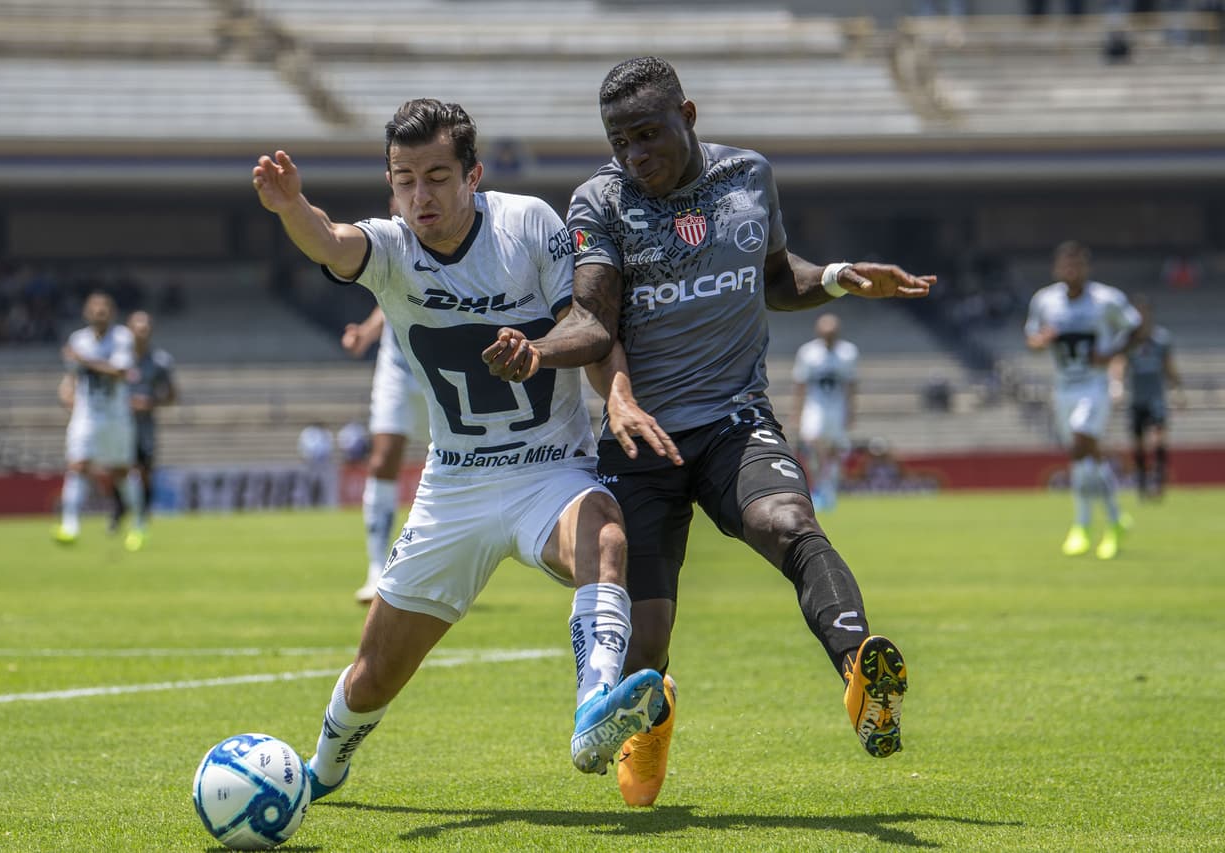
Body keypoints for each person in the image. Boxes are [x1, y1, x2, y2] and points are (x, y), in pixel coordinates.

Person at [483, 56, 931, 807]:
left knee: (786, 522)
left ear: (687, 116)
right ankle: (647, 732)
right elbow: (593, 320)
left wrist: (841, 276)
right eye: (621, 141)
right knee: (647, 640)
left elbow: (775, 275)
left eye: (650, 134)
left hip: (734, 420)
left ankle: (861, 673)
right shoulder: (601, 201)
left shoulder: (749, 175)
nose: (637, 155)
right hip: (642, 442)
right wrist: (536, 351)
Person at [252, 98, 665, 798]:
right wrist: (294, 208)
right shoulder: (390, 247)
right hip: (456, 487)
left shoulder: (529, 224)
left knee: (607, 538)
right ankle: (321, 768)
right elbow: (329, 240)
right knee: (374, 672)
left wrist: (610, 388)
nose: (421, 194)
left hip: (550, 471)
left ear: (472, 175)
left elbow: (586, 323)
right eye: (405, 178)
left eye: (438, 176)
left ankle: (595, 704)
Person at [1025, 240, 1141, 559]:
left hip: (1095, 387)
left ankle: (1081, 524)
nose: (1071, 270)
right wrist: (1041, 340)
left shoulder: (1106, 299)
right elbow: (1031, 339)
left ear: (1086, 268)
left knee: (1080, 443)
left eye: (1077, 265)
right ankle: (1115, 520)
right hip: (1064, 388)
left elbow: (1136, 328)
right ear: (1057, 268)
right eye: (1066, 265)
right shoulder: (1045, 300)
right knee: (1084, 459)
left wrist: (1111, 354)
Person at [341, 304, 429, 603]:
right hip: (397, 368)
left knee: (453, 455)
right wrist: (367, 332)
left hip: (441, 364)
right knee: (382, 459)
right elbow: (389, 292)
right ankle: (377, 570)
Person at [54, 291, 146, 551]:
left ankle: (139, 524)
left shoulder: (121, 338)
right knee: (77, 466)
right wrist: (66, 391)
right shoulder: (78, 339)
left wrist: (83, 360)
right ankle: (69, 525)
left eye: (104, 308)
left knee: (121, 471)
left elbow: (120, 372)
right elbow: (73, 376)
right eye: (94, 308)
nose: (99, 312)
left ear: (112, 312)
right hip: (87, 415)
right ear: (86, 312)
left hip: (116, 416)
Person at [1108, 296, 1184, 500]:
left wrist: (1177, 390)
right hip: (1136, 399)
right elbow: (1119, 362)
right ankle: (1142, 482)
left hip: (1156, 398)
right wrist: (1117, 386)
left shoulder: (1161, 338)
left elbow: (1169, 366)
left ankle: (1158, 480)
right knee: (1138, 444)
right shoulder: (1126, 339)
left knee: (1158, 440)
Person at [109, 310, 177, 534]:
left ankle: (143, 514)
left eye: (145, 329)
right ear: (128, 331)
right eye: (137, 329)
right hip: (119, 423)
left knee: (145, 471)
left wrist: (152, 402)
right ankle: (118, 514)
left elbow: (172, 395)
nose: (141, 334)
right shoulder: (116, 360)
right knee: (119, 470)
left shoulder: (160, 361)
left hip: (145, 425)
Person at [792, 313, 858, 512]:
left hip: (836, 408)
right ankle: (818, 486)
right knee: (812, 442)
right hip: (815, 407)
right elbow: (800, 384)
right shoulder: (808, 352)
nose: (829, 335)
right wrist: (796, 411)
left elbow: (851, 384)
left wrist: (851, 411)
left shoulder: (848, 352)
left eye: (832, 332)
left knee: (834, 449)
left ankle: (827, 488)